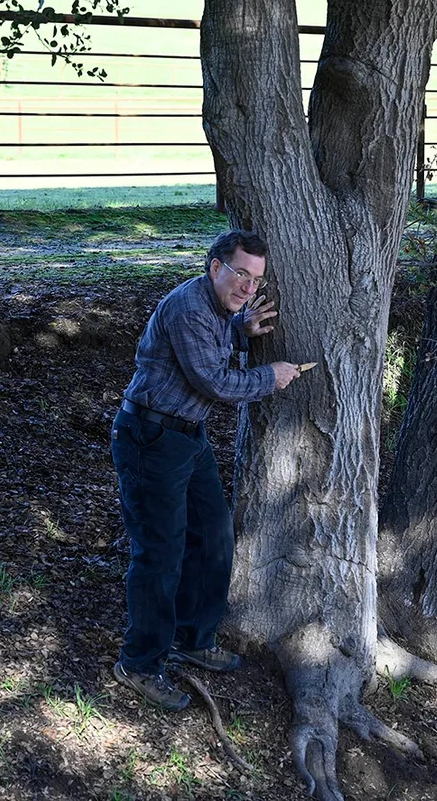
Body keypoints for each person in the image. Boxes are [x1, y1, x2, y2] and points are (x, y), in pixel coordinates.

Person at [110, 229, 300, 711]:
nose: (247, 288)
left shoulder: (219, 310)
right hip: (151, 440)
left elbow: (211, 349)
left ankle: (194, 638)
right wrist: (270, 377)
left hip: (185, 436)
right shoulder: (189, 307)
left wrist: (241, 330)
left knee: (214, 532)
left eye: (255, 280)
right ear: (215, 267)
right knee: (159, 554)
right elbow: (213, 381)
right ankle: (139, 663)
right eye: (240, 274)